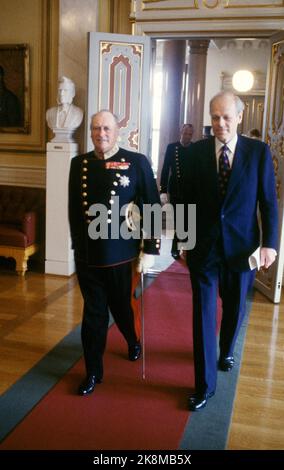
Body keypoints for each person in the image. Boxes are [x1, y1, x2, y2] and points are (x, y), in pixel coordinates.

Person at [182, 91, 278, 411]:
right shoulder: (194, 152)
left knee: (234, 309)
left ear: (239, 117)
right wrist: (182, 241)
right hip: (204, 249)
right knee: (203, 315)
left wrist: (270, 245)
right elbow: (185, 201)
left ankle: (226, 350)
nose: (219, 124)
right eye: (214, 117)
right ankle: (204, 385)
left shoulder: (258, 152)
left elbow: (268, 202)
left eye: (225, 117)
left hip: (242, 249)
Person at [68, 110, 161, 396]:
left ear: (118, 131)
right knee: (93, 315)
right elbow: (74, 210)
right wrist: (77, 248)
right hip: (88, 257)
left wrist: (150, 248)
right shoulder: (79, 163)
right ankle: (93, 371)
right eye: (96, 128)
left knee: (121, 308)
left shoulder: (136, 162)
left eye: (106, 128)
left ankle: (132, 340)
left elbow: (151, 207)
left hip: (121, 254)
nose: (101, 134)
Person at [160, 123, 194, 259]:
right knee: (177, 220)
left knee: (188, 220)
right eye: (185, 133)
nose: (187, 136)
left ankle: (186, 248)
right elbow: (165, 169)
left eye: (190, 134)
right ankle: (175, 248)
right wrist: (162, 190)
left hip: (191, 190)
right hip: (175, 189)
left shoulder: (195, 148)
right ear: (181, 132)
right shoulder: (172, 147)